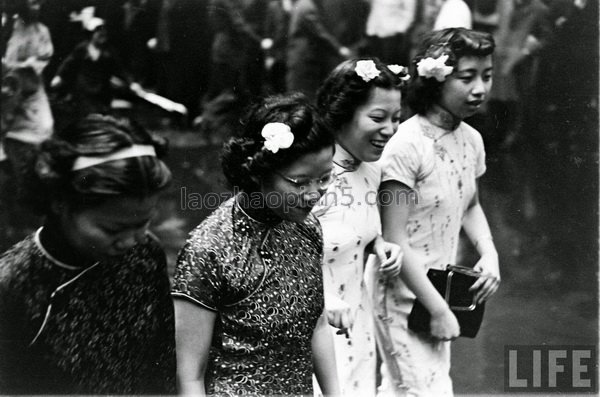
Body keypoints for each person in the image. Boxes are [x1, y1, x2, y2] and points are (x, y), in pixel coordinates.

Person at [172, 93, 341, 396]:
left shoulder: (308, 227)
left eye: (324, 178)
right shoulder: (208, 249)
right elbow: (190, 376)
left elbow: (318, 326)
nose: (314, 194)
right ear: (259, 170)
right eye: (300, 182)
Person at [0, 114, 176, 394]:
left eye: (143, 222)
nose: (133, 240)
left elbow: (163, 357)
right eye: (113, 229)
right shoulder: (14, 286)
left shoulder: (146, 253)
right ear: (60, 202)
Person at [376, 28, 501, 395]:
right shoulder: (406, 146)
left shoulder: (471, 140)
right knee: (417, 388)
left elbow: (471, 204)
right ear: (436, 79)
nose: (480, 88)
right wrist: (439, 310)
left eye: (487, 76)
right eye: (467, 78)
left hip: (442, 289)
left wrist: (489, 252)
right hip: (402, 292)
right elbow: (394, 239)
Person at [312, 58, 407, 396]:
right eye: (378, 118)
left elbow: (353, 230)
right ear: (342, 113)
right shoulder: (310, 180)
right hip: (314, 323)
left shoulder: (373, 171)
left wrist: (379, 244)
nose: (391, 130)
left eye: (396, 119)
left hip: (358, 319)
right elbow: (274, 257)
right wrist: (321, 300)